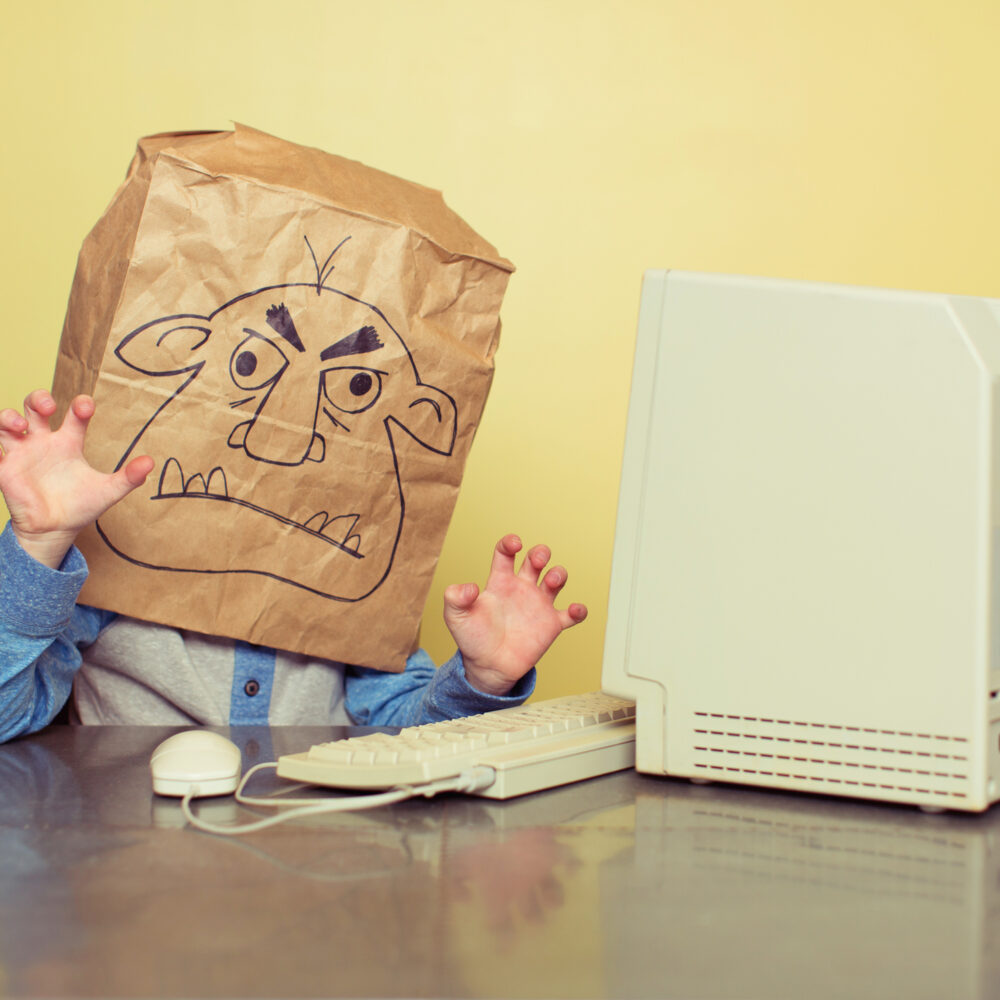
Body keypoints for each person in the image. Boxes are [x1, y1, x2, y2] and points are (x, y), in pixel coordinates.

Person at [0, 389, 587, 744]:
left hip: (314, 876)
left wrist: (482, 681)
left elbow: (402, 730)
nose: (286, 438)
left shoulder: (355, 577)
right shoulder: (109, 567)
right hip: (126, 875)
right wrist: (40, 544)